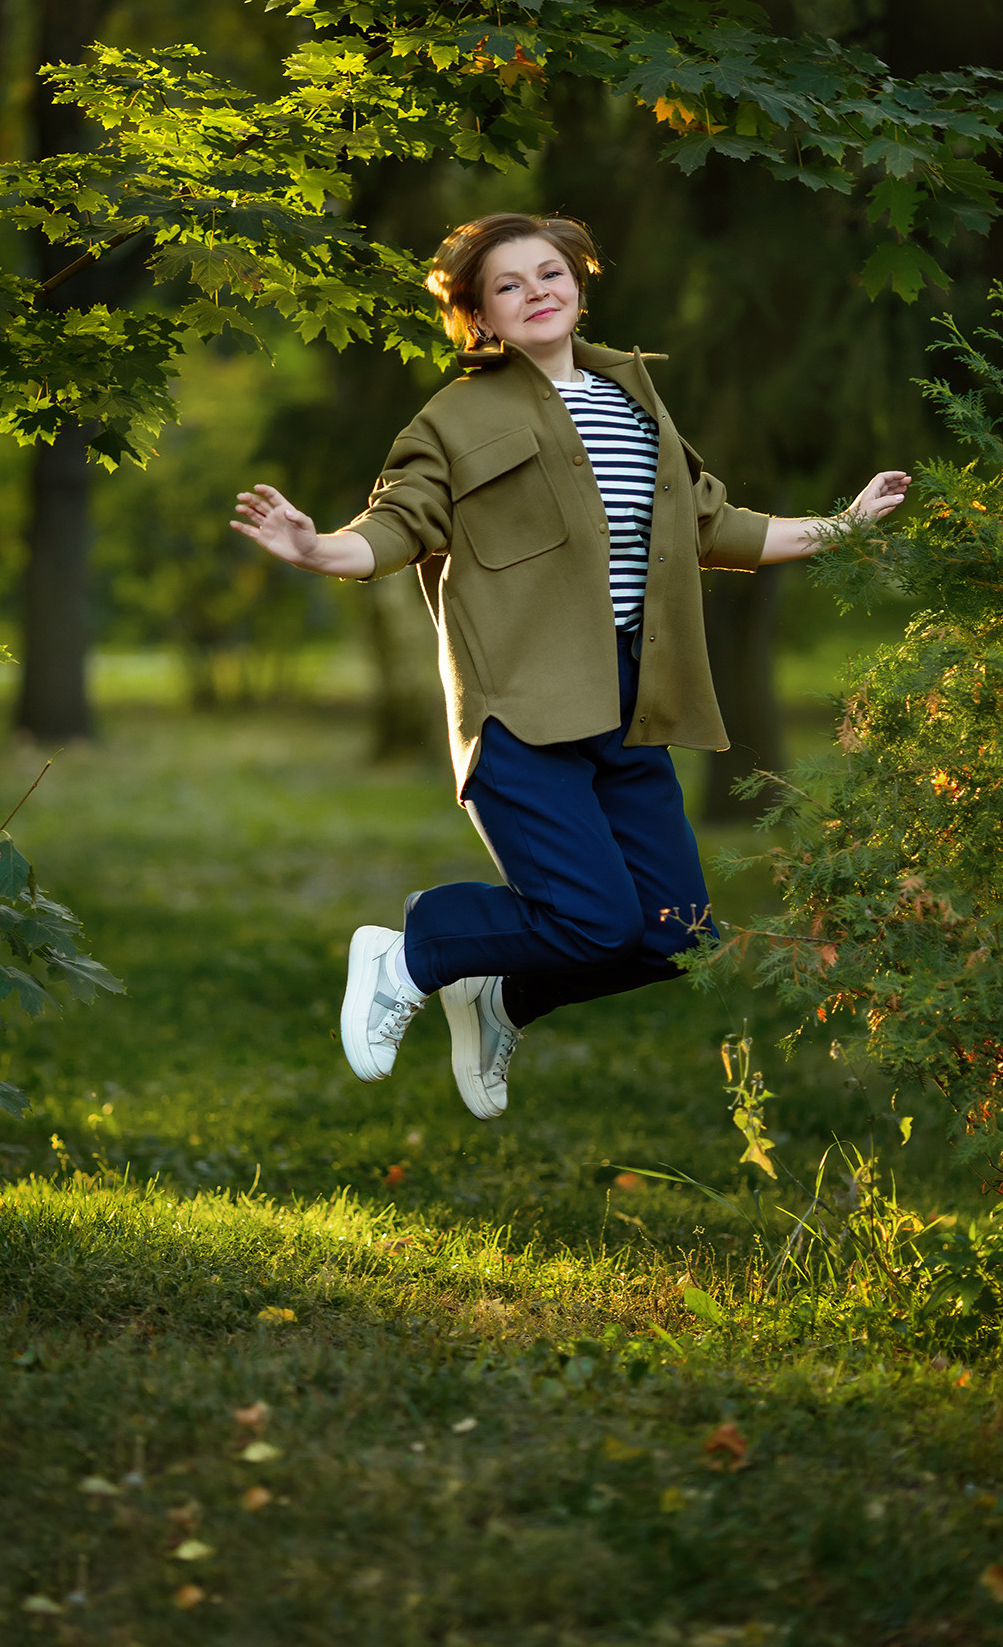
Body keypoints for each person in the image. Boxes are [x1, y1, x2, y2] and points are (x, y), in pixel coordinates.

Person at [231, 212, 910, 1120]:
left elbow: (711, 525)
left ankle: (501, 996)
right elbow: (398, 525)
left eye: (551, 273)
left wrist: (845, 525)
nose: (537, 291)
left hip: (632, 703)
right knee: (591, 919)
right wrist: (319, 551)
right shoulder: (456, 416)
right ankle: (413, 951)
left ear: (581, 285)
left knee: (674, 934)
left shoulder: (632, 398)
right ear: (481, 318)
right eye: (509, 285)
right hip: (522, 711)